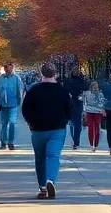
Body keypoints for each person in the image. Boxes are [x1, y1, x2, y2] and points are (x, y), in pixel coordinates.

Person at [21, 62, 73, 198]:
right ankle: (51, 179)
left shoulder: (33, 90)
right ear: (55, 74)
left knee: (40, 158)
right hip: (58, 129)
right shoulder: (63, 91)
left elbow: (25, 109)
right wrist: (65, 120)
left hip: (38, 130)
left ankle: (42, 187)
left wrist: (30, 122)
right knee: (53, 156)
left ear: (42, 74)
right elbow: (70, 110)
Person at [0, 61, 24, 150]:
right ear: (4, 68)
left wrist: (19, 102)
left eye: (9, 67)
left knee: (12, 123)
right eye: (6, 67)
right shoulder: (0, 79)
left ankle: (11, 142)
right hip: (2, 105)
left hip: (13, 104)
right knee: (3, 124)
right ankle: (3, 142)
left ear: (12, 68)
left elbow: (19, 91)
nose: (8, 69)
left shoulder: (16, 78)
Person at [63, 64, 89, 150]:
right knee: (75, 122)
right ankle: (75, 141)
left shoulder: (70, 80)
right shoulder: (79, 81)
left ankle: (75, 140)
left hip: (74, 102)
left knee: (74, 122)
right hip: (75, 102)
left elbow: (64, 91)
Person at [81, 81, 106, 151]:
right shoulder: (87, 94)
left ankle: (96, 144)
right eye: (94, 87)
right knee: (91, 128)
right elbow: (85, 102)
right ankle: (92, 143)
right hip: (89, 112)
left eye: (97, 87)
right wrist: (84, 111)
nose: (96, 89)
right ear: (91, 87)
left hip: (97, 112)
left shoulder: (100, 94)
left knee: (97, 128)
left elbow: (102, 102)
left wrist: (102, 110)